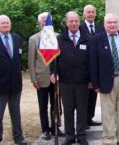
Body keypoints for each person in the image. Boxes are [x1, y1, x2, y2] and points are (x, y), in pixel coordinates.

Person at [90, 13, 119, 145]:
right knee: (108, 111)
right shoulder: (96, 39)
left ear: (118, 23)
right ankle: (108, 138)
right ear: (104, 24)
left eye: (114, 22)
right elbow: (93, 63)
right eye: (109, 23)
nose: (112, 25)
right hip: (106, 80)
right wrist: (95, 83)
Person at [0, 15, 27, 145]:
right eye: (2, 23)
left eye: (7, 22)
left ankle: (18, 137)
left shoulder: (17, 38)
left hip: (15, 83)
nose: (5, 25)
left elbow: (17, 60)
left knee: (16, 112)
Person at [50, 11, 90, 145]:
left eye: (76, 21)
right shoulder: (59, 39)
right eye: (70, 21)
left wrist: (91, 79)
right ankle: (70, 135)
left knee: (82, 109)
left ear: (79, 22)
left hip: (83, 81)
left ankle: (81, 135)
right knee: (68, 109)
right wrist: (53, 73)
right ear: (66, 23)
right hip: (65, 81)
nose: (73, 23)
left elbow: (91, 60)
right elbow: (53, 59)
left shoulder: (87, 38)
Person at [28, 12, 64, 140]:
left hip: (56, 78)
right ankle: (45, 130)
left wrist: (58, 74)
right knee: (42, 105)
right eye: (43, 20)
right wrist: (33, 79)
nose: (45, 22)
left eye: (47, 20)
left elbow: (60, 59)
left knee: (55, 104)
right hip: (41, 78)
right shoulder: (34, 39)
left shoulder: (58, 37)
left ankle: (55, 127)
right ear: (39, 23)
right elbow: (31, 61)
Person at [79, 4, 103, 127]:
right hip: (84, 68)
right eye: (88, 12)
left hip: (97, 68)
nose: (91, 14)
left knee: (93, 95)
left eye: (93, 12)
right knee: (84, 97)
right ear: (84, 14)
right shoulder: (79, 28)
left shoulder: (100, 28)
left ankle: (90, 118)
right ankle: (82, 120)